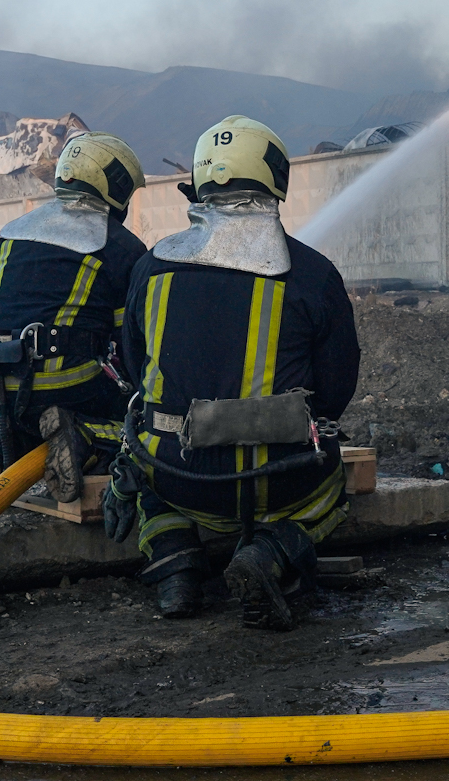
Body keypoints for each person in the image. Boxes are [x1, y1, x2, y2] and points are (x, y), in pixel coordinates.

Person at [109, 116, 359, 628]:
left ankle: (175, 565)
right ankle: (267, 552)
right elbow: (335, 391)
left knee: (148, 485)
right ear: (275, 179)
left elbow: (136, 372)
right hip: (278, 481)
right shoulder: (313, 273)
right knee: (332, 483)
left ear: (199, 184)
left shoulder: (150, 267)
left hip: (179, 475)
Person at [0, 132, 148, 512]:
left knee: (18, 416)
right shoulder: (121, 246)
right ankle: (83, 436)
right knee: (140, 425)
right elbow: (128, 341)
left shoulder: (12, 233)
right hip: (62, 382)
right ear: (116, 186)